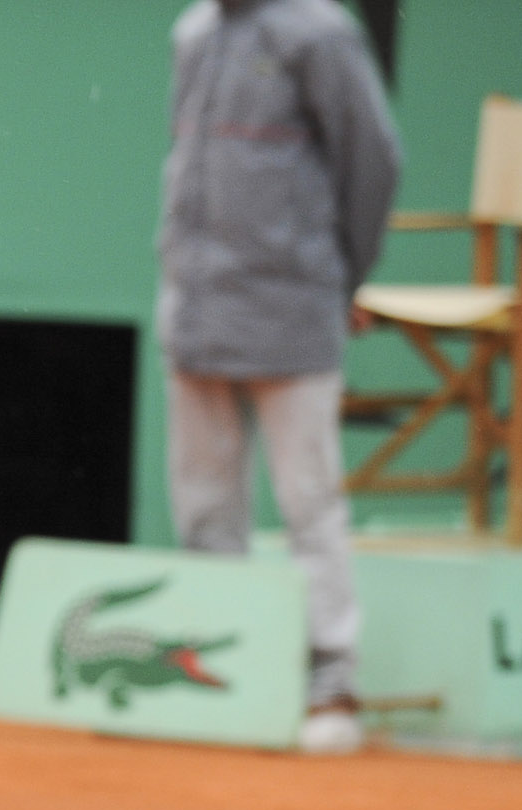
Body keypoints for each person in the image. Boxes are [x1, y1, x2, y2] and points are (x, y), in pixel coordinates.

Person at [157, 0, 400, 756]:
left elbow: (374, 161)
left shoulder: (321, 33)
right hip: (195, 313)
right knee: (203, 507)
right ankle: (225, 673)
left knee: (309, 503)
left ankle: (332, 685)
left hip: (291, 311)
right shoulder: (192, 31)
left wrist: (340, 277)